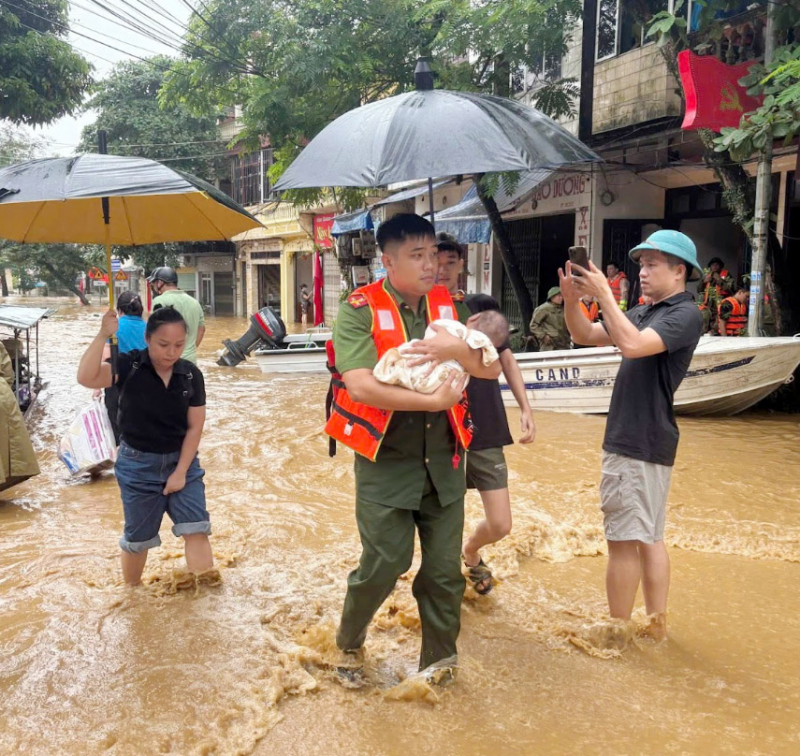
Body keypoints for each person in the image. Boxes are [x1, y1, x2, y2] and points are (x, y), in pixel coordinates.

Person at [326, 213, 501, 678]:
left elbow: (489, 367)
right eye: (417, 256)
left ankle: (440, 664)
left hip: (444, 460)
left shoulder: (450, 307)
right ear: (388, 261)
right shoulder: (358, 309)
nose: (430, 266)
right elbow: (360, 386)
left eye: (433, 255)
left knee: (444, 574)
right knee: (386, 562)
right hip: (387, 461)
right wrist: (430, 403)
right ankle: (348, 642)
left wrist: (454, 352)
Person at [558, 229, 703, 639]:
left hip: (637, 439)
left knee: (624, 540)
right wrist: (573, 302)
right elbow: (583, 335)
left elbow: (634, 346)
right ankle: (656, 628)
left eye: (652, 264)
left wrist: (604, 293)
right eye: (641, 263)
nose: (642, 271)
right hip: (648, 438)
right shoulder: (645, 311)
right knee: (650, 538)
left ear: (679, 272)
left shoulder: (683, 314)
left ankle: (616, 634)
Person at [77, 307, 212, 586]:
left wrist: (181, 472)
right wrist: (103, 334)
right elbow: (87, 378)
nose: (171, 352)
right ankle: (132, 597)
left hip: (182, 462)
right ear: (148, 338)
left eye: (178, 345)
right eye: (163, 344)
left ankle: (207, 603)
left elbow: (195, 427)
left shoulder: (190, 375)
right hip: (137, 465)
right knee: (138, 539)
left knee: (197, 528)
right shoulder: (129, 366)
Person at [435, 236, 536, 595]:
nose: (443, 269)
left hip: (487, 424)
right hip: (440, 429)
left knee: (501, 522)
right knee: (445, 518)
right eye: (437, 261)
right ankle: (445, 589)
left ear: (462, 266)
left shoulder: (479, 308)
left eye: (451, 262)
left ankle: (471, 551)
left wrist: (525, 408)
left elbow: (506, 358)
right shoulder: (421, 311)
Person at [373, 311, 505, 394]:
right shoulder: (482, 342)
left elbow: (494, 370)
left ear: (473, 318)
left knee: (408, 361)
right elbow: (490, 360)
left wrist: (456, 348)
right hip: (444, 389)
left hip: (444, 415)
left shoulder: (458, 310)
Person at [100, 291, 148, 444]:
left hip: (117, 384)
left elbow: (105, 356)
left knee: (118, 429)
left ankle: (120, 456)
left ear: (119, 310)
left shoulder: (114, 328)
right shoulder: (150, 328)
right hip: (145, 384)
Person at [148, 267, 205, 364]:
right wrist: (190, 349)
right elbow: (202, 329)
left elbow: (154, 331)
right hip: (190, 362)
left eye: (153, 284)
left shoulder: (159, 301)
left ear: (160, 283)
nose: (153, 287)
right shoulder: (195, 303)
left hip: (168, 362)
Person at [697, 257, 733, 333]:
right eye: (713, 265)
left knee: (718, 324)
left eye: (717, 265)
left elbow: (730, 289)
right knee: (704, 320)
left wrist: (719, 280)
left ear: (720, 266)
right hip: (708, 305)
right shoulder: (707, 276)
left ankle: (714, 334)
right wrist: (703, 282)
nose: (715, 266)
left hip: (722, 304)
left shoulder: (726, 275)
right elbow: (699, 291)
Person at [529, 287, 570, 351]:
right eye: (558, 296)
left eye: (562, 296)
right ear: (552, 297)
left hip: (563, 343)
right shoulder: (544, 309)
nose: (561, 298)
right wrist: (543, 336)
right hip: (549, 344)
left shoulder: (564, 309)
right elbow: (533, 325)